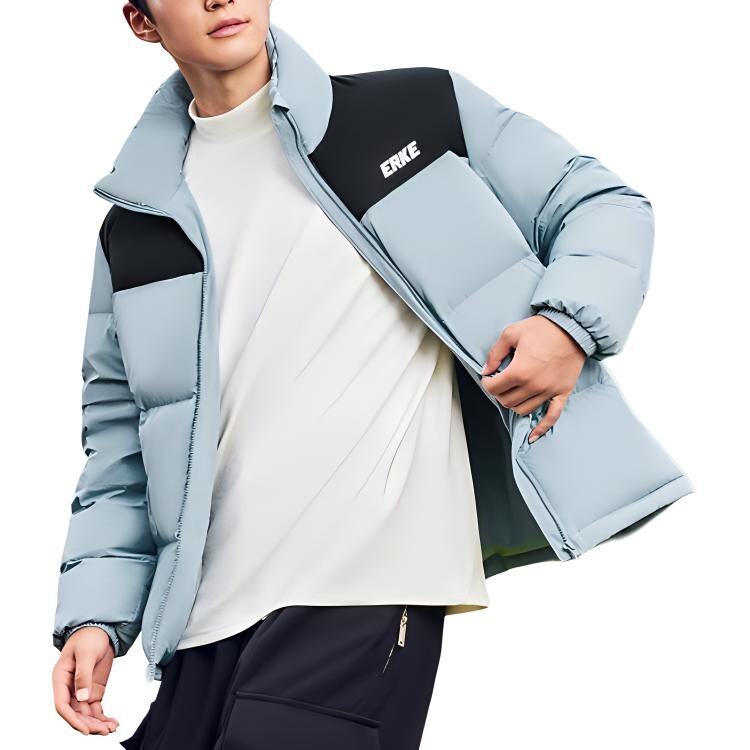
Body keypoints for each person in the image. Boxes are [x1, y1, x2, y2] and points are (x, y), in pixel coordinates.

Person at [51, 1, 694, 748]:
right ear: (142, 21)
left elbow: (599, 202)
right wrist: (96, 613)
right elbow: (122, 444)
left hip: (363, 583)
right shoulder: (137, 224)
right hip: (200, 619)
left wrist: (566, 322)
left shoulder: (414, 113)